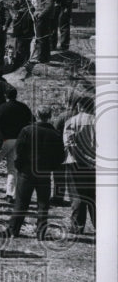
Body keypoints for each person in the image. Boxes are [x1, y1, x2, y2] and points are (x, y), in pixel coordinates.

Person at [7, 107, 66, 240]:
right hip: (44, 172)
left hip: (27, 171)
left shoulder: (27, 130)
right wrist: (51, 167)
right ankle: (41, 233)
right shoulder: (55, 134)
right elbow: (60, 156)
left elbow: (19, 151)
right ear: (50, 116)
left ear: (36, 114)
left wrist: (19, 166)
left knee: (21, 202)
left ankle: (13, 229)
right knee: (43, 204)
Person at [0, 84, 32, 202]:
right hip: (19, 139)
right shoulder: (24, 107)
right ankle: (10, 194)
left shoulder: (2, 107)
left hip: (5, 139)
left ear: (5, 95)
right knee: (12, 168)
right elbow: (31, 121)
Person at [63, 94, 96, 234]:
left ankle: (77, 226)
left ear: (79, 106)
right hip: (95, 165)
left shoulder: (71, 121)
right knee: (95, 196)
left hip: (75, 163)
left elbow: (69, 144)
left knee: (77, 195)